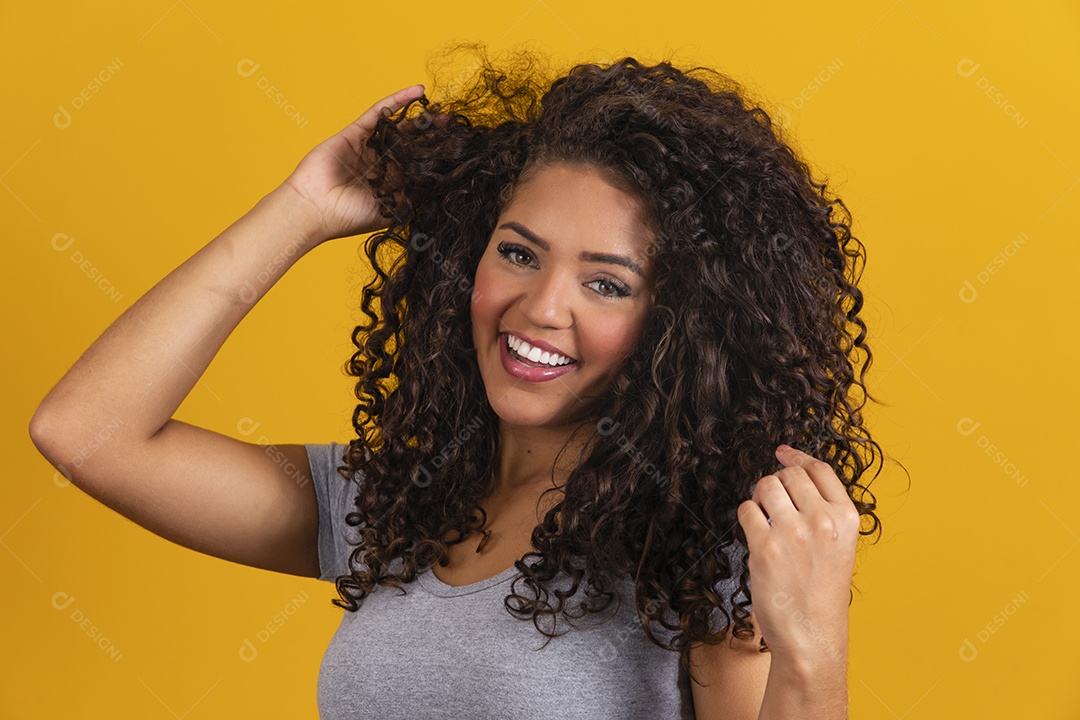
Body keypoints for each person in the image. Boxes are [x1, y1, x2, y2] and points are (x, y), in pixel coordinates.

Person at [29, 46, 887, 719]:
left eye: (606, 283)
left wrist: (812, 649)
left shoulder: (702, 547)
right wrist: (304, 208)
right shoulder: (397, 504)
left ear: (679, 323)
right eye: (518, 253)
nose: (540, 308)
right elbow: (89, 434)